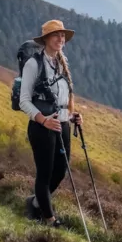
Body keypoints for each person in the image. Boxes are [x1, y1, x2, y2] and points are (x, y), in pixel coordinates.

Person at [19, 19, 82, 226]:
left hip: (62, 124)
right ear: (45, 38)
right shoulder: (33, 64)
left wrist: (72, 116)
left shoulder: (62, 64)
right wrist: (43, 120)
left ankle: (35, 203)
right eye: (56, 35)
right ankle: (49, 219)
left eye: (62, 36)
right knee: (45, 174)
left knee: (60, 171)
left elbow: (61, 100)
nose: (60, 39)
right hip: (42, 127)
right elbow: (24, 101)